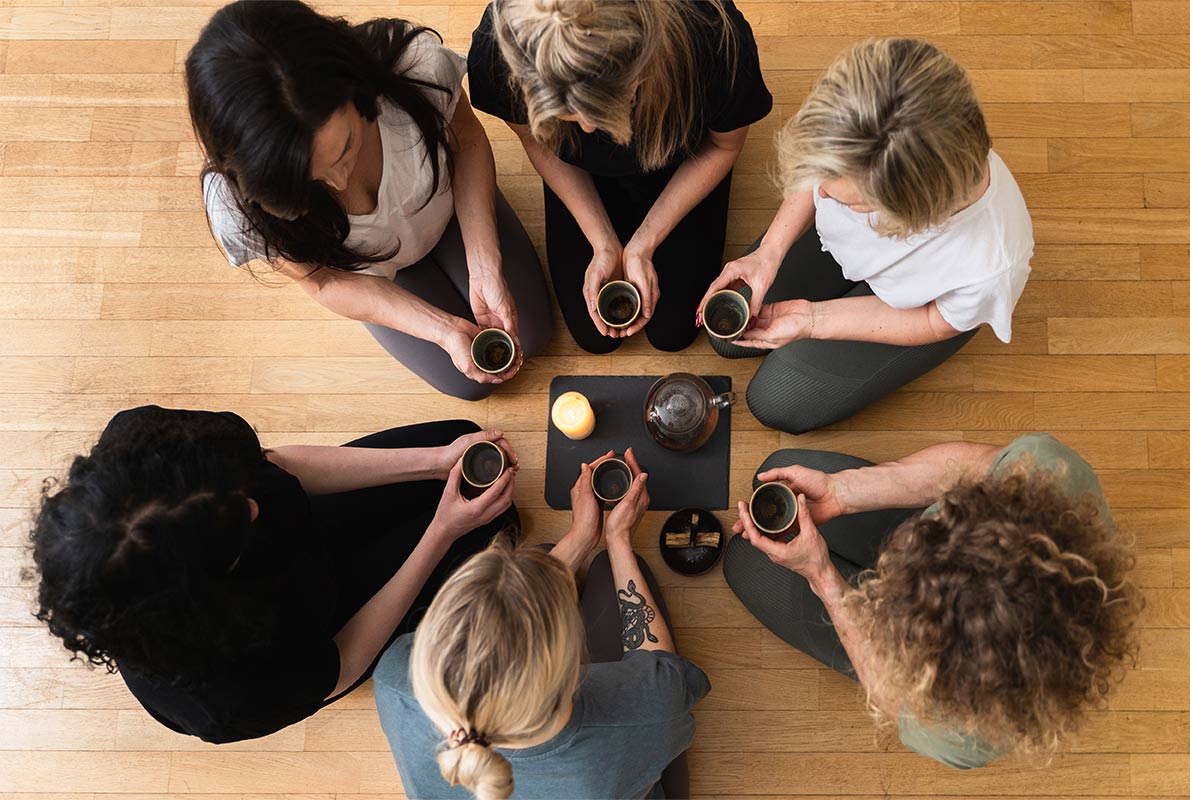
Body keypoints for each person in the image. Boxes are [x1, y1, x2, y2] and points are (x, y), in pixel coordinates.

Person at [27, 405, 518, 743]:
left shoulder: (148, 450)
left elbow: (278, 467)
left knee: (461, 444)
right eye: (239, 519)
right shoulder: (227, 694)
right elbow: (341, 663)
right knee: (490, 521)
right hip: (317, 628)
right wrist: (441, 532)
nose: (257, 506)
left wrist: (433, 464)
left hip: (305, 541)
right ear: (205, 587)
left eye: (236, 490)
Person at [187, 0, 552, 400]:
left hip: (450, 206)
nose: (340, 179)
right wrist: (441, 328)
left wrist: (485, 266)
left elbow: (466, 139)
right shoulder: (236, 207)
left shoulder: (410, 66)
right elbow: (323, 280)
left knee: (532, 334)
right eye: (312, 180)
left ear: (354, 84)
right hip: (372, 271)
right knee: (468, 383)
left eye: (345, 149)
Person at [724, 434, 1142, 769]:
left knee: (746, 562)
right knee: (772, 475)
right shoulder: (1049, 475)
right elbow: (963, 468)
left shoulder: (963, 731)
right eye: (929, 532)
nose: (895, 549)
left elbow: (890, 694)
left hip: (902, 656)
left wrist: (822, 577)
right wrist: (842, 491)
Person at [700, 38, 1034, 433]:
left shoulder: (989, 266)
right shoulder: (863, 106)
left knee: (773, 400)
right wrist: (769, 252)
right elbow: (817, 176)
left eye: (848, 202)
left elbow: (932, 319)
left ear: (907, 218)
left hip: (916, 307)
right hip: (852, 249)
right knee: (727, 329)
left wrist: (812, 319)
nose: (818, 191)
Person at [374, 450, 710, 799]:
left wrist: (579, 537)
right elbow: (666, 675)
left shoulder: (396, 679)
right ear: (574, 669)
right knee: (609, 571)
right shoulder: (640, 716)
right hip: (628, 758)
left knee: (548, 553)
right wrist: (618, 539)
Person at [468, 0, 772, 354]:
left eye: (607, 108)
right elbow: (538, 144)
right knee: (593, 336)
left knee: (673, 334)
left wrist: (644, 243)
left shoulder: (716, 40)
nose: (587, 128)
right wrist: (604, 243)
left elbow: (722, 147)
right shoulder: (499, 47)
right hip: (579, 171)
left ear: (645, 62)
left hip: (686, 158)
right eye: (567, 116)